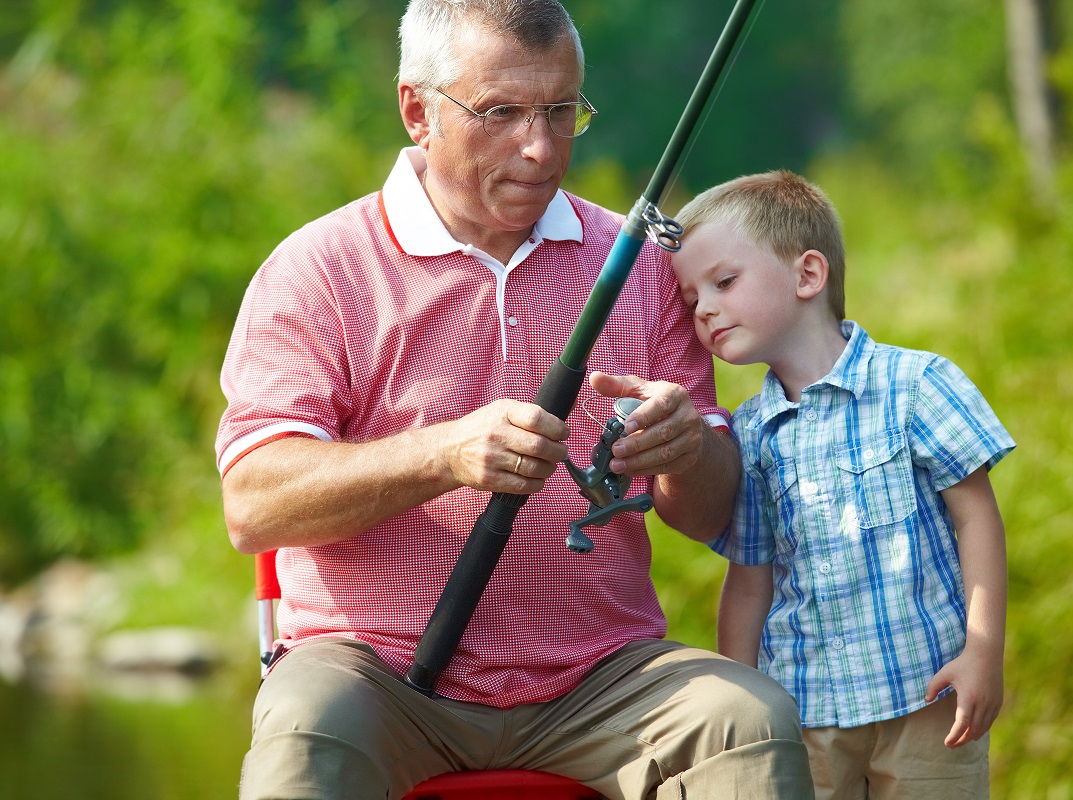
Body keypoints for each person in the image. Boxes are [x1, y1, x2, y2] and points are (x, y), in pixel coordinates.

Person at [215, 2, 813, 798]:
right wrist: (446, 453)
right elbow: (253, 504)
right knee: (304, 730)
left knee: (748, 719)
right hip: (374, 673)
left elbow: (707, 514)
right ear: (417, 111)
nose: (540, 148)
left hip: (603, 677)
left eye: (561, 112)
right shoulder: (317, 270)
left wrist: (690, 450)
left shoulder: (642, 266)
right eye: (500, 113)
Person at [670, 169, 1015, 799]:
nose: (705, 310)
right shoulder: (750, 435)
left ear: (808, 274)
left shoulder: (916, 385)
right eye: (692, 300)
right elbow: (750, 580)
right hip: (808, 710)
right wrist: (740, 704)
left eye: (724, 282)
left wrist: (983, 650)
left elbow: (976, 520)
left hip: (927, 695)